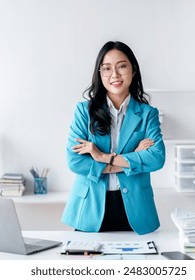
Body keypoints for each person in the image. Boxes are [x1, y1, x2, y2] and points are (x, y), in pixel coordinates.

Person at [61, 41, 165, 235]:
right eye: (107, 68)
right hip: (89, 208)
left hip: (136, 211)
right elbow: (75, 161)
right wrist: (132, 159)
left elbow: (157, 158)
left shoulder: (148, 113)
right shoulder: (84, 111)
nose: (115, 75)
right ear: (100, 74)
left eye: (122, 66)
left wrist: (102, 157)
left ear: (133, 70)